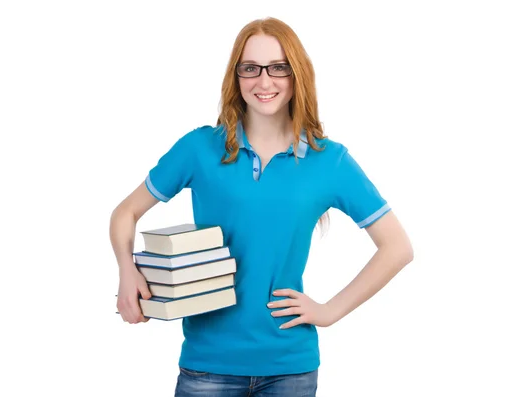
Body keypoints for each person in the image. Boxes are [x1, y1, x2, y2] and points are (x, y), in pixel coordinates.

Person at [110, 17, 413, 397]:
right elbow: (126, 212)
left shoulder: (329, 161)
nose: (264, 81)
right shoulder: (200, 148)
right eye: (250, 68)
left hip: (290, 368)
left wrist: (331, 311)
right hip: (208, 366)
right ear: (236, 77)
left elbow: (398, 248)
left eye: (278, 68)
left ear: (296, 74)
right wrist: (126, 271)